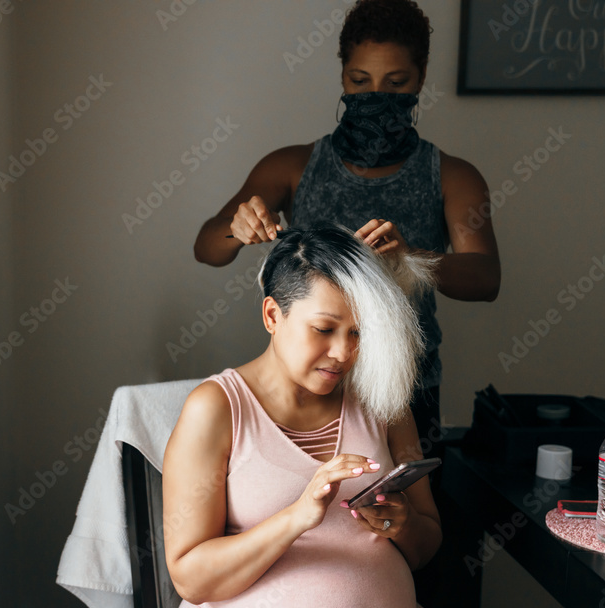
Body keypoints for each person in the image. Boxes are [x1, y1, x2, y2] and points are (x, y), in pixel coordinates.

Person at [192, 0, 500, 457]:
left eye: (396, 84)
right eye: (360, 82)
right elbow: (207, 248)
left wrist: (411, 261)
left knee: (408, 521)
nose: (376, 95)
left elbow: (486, 279)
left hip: (405, 388)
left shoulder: (452, 176)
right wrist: (237, 228)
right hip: (307, 378)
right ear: (342, 77)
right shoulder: (292, 166)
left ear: (421, 77)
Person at [163, 227, 474, 608]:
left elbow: (426, 545)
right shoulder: (215, 410)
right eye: (324, 329)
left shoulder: (381, 399)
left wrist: (402, 525)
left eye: (358, 333)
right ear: (273, 315)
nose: (343, 353)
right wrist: (297, 518)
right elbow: (190, 578)